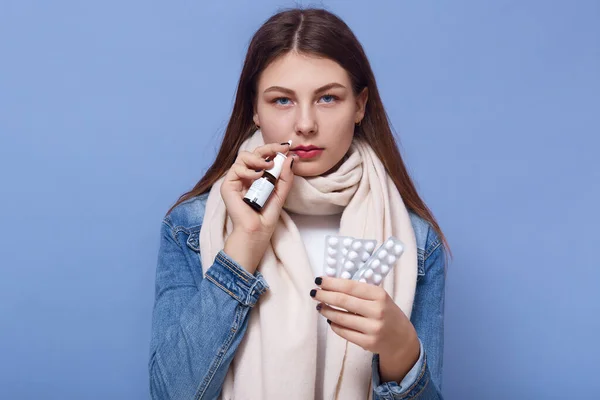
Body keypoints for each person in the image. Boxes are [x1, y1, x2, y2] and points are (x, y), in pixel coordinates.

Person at [149, 7, 449, 400]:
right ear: (254, 109)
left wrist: (400, 349)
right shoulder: (190, 227)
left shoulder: (416, 242)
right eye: (282, 101)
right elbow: (169, 395)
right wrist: (247, 241)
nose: (305, 124)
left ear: (359, 105)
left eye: (327, 98)